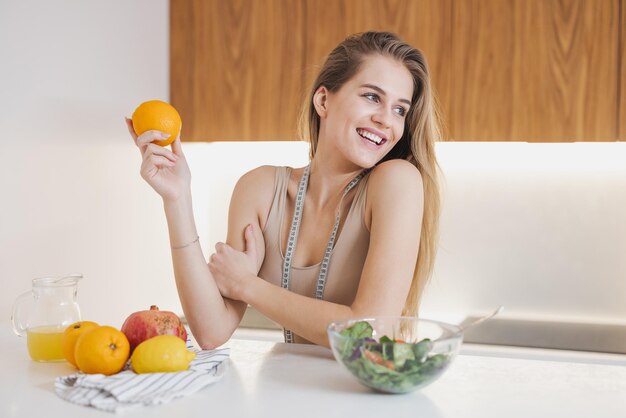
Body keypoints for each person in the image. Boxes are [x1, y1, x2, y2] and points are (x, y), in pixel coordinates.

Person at [125, 31, 442, 348]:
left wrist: (248, 286)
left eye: (400, 109)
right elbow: (211, 331)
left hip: (362, 394)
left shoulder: (396, 181)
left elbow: (372, 331)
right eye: (372, 97)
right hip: (281, 392)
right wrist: (177, 199)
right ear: (323, 100)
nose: (386, 120)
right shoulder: (260, 189)